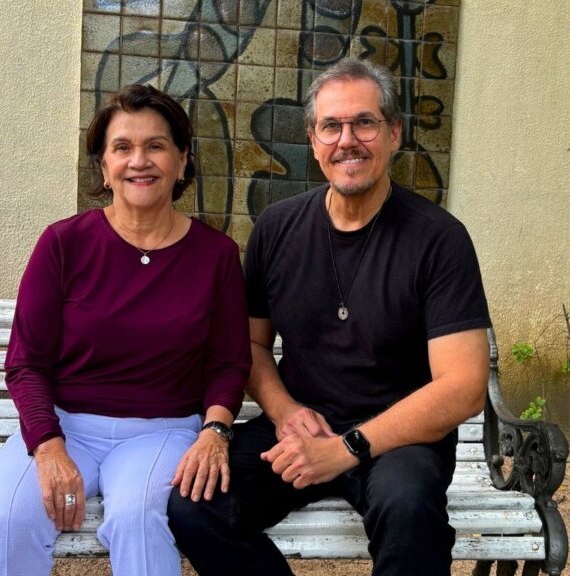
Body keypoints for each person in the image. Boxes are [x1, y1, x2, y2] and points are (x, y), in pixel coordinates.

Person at [167, 57, 491, 576]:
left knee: (410, 513)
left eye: (364, 123)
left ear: (394, 133)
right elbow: (249, 345)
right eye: (331, 126)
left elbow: (465, 386)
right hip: (301, 425)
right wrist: (283, 412)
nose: (347, 141)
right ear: (313, 140)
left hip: (399, 438)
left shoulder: (439, 239)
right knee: (195, 506)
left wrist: (348, 447)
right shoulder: (277, 228)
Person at [0, 84, 251, 576]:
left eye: (156, 146)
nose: (138, 161)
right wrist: (48, 446)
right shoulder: (63, 243)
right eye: (122, 147)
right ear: (104, 167)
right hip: (63, 428)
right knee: (12, 519)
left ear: (182, 161)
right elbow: (26, 363)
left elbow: (229, 362)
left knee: (137, 519)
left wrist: (215, 431)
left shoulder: (217, 255)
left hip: (162, 432)